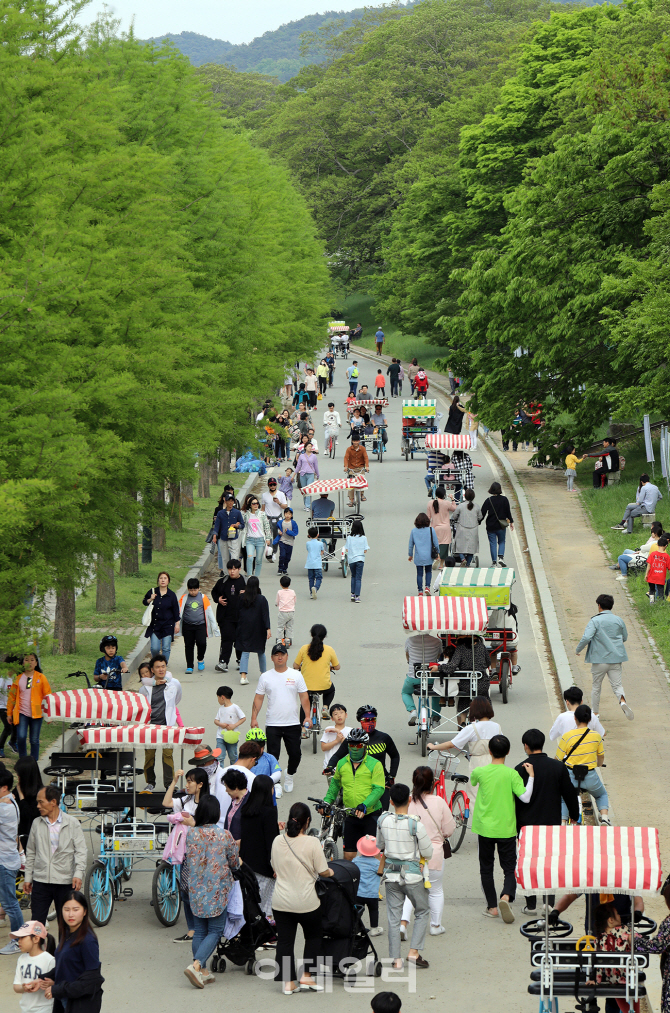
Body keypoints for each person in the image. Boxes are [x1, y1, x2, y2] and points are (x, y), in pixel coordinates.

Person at [470, 735, 535, 922]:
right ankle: (506, 895)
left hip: (485, 828)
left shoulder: (480, 771)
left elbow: (473, 781)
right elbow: (525, 798)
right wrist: (531, 777)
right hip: (506, 828)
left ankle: (492, 908)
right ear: (508, 752)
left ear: (490, 751)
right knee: (509, 867)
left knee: (486, 868)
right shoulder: (512, 774)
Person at [514, 728, 579, 913]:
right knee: (549, 862)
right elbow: (569, 794)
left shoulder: (520, 768)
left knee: (529, 862)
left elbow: (516, 799)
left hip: (526, 825)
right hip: (551, 823)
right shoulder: (558, 767)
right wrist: (574, 815)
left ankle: (531, 904)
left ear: (526, 746)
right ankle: (549, 903)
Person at [271, 802, 334, 994]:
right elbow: (323, 870)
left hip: (281, 901)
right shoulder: (312, 842)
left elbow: (275, 867)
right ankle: (307, 976)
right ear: (307, 821)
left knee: (284, 941)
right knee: (313, 937)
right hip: (307, 902)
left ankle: (288, 983)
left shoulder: (277, 841)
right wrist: (331, 871)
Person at [182, 796, 239, 988]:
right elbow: (234, 862)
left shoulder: (191, 834)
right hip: (217, 890)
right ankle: (197, 965)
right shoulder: (224, 835)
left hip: (196, 889)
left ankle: (204, 971)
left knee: (200, 931)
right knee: (215, 930)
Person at [376, 782, 433, 970]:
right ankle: (413, 951)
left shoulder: (383, 821)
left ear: (391, 801)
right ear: (409, 800)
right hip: (413, 876)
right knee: (423, 910)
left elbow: (380, 845)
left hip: (391, 876)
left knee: (393, 917)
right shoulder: (415, 824)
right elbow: (428, 852)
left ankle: (396, 960)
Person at [399, 767, 456, 939]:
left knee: (411, 890)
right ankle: (435, 925)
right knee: (436, 890)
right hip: (434, 853)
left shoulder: (408, 802)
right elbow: (449, 828)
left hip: (411, 853)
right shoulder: (439, 802)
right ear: (432, 783)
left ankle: (403, 924)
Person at [26, 892, 103, 1013]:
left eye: (75, 909)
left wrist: (57, 989)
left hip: (79, 1004)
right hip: (64, 998)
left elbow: (92, 980)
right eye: (66, 909)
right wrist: (42, 979)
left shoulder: (88, 940)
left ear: (84, 911)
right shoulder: (67, 932)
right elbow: (64, 964)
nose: (70, 914)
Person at [23, 786, 87, 931]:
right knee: (37, 925)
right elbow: (31, 851)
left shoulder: (72, 823)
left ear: (53, 802)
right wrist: (28, 877)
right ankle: (39, 953)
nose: (38, 806)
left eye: (41, 802)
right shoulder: (36, 823)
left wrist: (78, 873)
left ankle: (65, 954)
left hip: (65, 881)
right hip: (41, 881)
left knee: (66, 926)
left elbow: (81, 851)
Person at [251, 643, 310, 795]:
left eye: (282, 654)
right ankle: (276, 782)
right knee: (273, 755)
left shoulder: (296, 675)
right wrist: (254, 718)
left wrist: (308, 716)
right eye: (276, 654)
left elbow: (304, 697)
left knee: (295, 754)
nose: (279, 657)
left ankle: (289, 775)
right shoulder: (265, 677)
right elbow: (258, 698)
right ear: (272, 658)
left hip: (292, 723)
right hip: (273, 723)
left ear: (287, 657)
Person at [322, 729, 386, 859]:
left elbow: (379, 789)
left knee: (373, 855)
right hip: (350, 815)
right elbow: (334, 785)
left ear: (365, 746)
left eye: (358, 745)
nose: (354, 748)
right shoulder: (341, 763)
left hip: (370, 814)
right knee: (349, 855)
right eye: (351, 745)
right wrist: (327, 801)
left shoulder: (375, 764)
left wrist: (365, 805)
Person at [576, 593, 633, 720]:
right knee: (617, 685)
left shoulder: (595, 620)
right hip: (616, 658)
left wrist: (578, 649)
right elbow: (625, 637)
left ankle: (595, 713)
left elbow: (586, 637)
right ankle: (622, 701)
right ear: (611, 606)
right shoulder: (619, 620)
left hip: (599, 659)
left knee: (596, 686)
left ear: (599, 605)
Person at [428, 696, 501, 795]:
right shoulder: (496, 726)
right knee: (494, 793)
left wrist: (433, 746)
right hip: (496, 762)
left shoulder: (472, 728)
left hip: (478, 763)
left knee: (475, 794)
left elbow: (451, 744)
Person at [555, 704, 610, 824]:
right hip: (590, 776)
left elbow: (557, 759)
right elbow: (601, 756)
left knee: (564, 798)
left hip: (570, 776)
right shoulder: (596, 736)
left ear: (575, 718)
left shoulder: (567, 736)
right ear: (590, 719)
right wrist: (598, 764)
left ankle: (563, 822)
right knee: (601, 795)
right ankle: (604, 818)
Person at [138, 654, 182, 789]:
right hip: (150, 726)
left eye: (163, 666)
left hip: (167, 726)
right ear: (152, 670)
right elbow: (142, 707)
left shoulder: (174, 683)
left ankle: (169, 784)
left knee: (167, 755)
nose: (161, 669)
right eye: (157, 667)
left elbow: (176, 700)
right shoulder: (145, 688)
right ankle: (150, 783)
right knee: (149, 755)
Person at [239, 774, 280, 916]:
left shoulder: (246, 810)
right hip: (264, 867)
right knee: (266, 907)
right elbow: (271, 843)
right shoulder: (269, 812)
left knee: (251, 904)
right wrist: (275, 866)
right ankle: (266, 936)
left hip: (247, 865)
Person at [7, 655, 51, 760]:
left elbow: (48, 696)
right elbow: (12, 697)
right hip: (21, 712)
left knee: (34, 739)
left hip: (37, 712)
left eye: (32, 660)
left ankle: (33, 762)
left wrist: (49, 713)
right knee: (21, 737)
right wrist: (9, 713)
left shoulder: (41, 677)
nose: (29, 662)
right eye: (26, 660)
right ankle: (23, 760)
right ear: (22, 663)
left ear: (36, 663)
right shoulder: (18, 679)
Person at [438, 636, 490, 723]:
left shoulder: (460, 649)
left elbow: (452, 666)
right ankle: (484, 722)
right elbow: (488, 662)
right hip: (482, 683)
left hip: (466, 684)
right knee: (484, 698)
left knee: (464, 698)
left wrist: (439, 668)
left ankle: (462, 723)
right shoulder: (481, 647)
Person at [293, 624, 340, 720]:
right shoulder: (329, 650)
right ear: (325, 636)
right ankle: (325, 707)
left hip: (306, 686)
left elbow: (295, 666)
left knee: (305, 704)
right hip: (324, 686)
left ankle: (303, 729)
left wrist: (302, 666)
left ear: (311, 635)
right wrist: (330, 667)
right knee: (331, 690)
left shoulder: (304, 648)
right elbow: (337, 667)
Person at [0, 770, 24, 950]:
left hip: (5, 861)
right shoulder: (10, 801)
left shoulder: (5, 807)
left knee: (10, 903)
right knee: (9, 901)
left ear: (4, 788)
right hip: (8, 858)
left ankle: (18, 940)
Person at [11, 920, 55, 1011]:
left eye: (22, 938)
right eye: (18, 938)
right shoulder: (21, 959)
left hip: (45, 1009)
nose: (19, 941)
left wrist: (49, 984)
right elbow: (16, 986)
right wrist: (24, 988)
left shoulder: (49, 960)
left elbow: (57, 982)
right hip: (26, 1008)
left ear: (36, 939)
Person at [235, 575, 272, 686]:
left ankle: (243, 676)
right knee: (260, 651)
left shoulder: (242, 598)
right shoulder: (262, 599)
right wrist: (268, 628)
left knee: (245, 651)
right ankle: (263, 674)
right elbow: (265, 614)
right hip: (258, 628)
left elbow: (237, 612)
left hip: (244, 627)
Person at [402, 631, 444, 727]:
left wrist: (409, 661)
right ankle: (435, 717)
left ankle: (412, 711)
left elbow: (407, 655)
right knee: (436, 693)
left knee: (405, 692)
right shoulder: (437, 641)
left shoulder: (410, 640)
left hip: (414, 676)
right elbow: (438, 656)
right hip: (430, 677)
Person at [212, 558, 246, 674]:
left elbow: (257, 594)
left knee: (239, 640)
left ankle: (241, 661)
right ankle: (223, 662)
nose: (232, 571)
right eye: (230, 569)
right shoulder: (223, 581)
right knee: (226, 639)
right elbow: (214, 592)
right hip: (225, 616)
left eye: (234, 569)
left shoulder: (245, 582)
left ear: (239, 569)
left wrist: (247, 595)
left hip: (241, 617)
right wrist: (218, 599)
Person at [178, 578, 217, 674]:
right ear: (188, 589)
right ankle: (189, 666)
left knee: (202, 643)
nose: (193, 592)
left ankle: (200, 659)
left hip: (200, 625)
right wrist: (176, 624)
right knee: (188, 645)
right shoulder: (184, 598)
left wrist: (214, 626)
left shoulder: (203, 598)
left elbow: (209, 612)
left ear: (199, 588)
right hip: (188, 626)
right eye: (191, 590)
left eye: (195, 590)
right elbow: (178, 612)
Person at [141, 571, 180, 661]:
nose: (163, 580)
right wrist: (151, 598)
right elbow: (144, 602)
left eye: (165, 578)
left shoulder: (172, 595)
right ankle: (156, 664)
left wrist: (177, 624)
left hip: (168, 625)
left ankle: (163, 666)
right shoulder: (153, 591)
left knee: (166, 648)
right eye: (161, 578)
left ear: (168, 581)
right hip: (155, 625)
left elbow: (176, 610)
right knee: (155, 648)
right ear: (158, 580)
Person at [354, 835, 385, 935]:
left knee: (357, 911)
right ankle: (374, 928)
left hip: (358, 892)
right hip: (372, 893)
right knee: (374, 910)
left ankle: (356, 929)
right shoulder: (376, 863)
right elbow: (382, 872)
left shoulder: (356, 861)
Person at [12, 756, 44, 850]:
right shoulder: (19, 788)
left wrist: (21, 797)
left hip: (31, 840)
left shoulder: (40, 793)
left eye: (19, 774)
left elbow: (29, 815)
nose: (17, 777)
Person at [480, 482, 514, 566]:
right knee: (502, 541)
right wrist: (511, 522)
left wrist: (479, 521)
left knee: (493, 543)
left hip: (490, 525)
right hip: (501, 525)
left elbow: (482, 513)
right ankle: (501, 557)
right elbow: (508, 512)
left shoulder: (489, 500)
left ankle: (494, 562)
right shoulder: (504, 499)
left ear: (491, 490)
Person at [244, 729, 283, 801]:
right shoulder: (244, 758)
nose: (258, 749)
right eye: (254, 746)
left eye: (261, 745)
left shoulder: (269, 758)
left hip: (265, 789)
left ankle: (277, 786)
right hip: (248, 790)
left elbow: (277, 773)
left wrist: (268, 781)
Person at [408, 512, 440, 595]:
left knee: (419, 574)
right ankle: (427, 587)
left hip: (419, 556)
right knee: (428, 571)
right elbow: (436, 543)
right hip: (429, 556)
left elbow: (411, 544)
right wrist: (438, 553)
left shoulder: (413, 531)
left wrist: (410, 555)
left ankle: (420, 591)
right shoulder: (431, 530)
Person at [212, 493, 244, 573]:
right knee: (225, 558)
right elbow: (217, 526)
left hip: (234, 538)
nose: (230, 503)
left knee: (234, 557)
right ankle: (226, 574)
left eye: (232, 501)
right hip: (223, 538)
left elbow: (242, 525)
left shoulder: (237, 513)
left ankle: (235, 573)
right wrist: (214, 536)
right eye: (228, 501)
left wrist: (237, 526)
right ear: (225, 502)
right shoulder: (220, 513)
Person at [242, 494, 273, 578]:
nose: (256, 505)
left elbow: (267, 526)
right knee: (250, 558)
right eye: (253, 503)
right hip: (250, 540)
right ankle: (249, 576)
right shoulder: (246, 515)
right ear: (250, 505)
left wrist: (268, 538)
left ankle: (256, 577)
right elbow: (243, 526)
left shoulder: (262, 514)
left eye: (257, 503)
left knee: (259, 560)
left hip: (260, 540)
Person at [213, 685, 245, 763]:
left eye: (218, 698)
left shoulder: (235, 707)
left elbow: (243, 718)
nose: (218, 700)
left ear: (222, 697)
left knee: (233, 756)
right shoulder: (221, 709)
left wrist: (234, 725)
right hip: (220, 736)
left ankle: (234, 772)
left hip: (232, 737)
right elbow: (216, 721)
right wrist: (221, 724)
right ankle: (220, 773)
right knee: (219, 757)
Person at [427, 489, 457, 572]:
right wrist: (452, 499)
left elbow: (428, 517)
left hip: (435, 528)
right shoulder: (446, 503)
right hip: (445, 528)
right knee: (444, 545)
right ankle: (441, 564)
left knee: (435, 544)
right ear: (444, 495)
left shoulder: (430, 503)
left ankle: (437, 557)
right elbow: (454, 508)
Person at [451, 489, 482, 567]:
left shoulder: (461, 506)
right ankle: (468, 564)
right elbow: (480, 517)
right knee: (471, 548)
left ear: (465, 496)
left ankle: (462, 559)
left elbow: (454, 516)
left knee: (459, 545)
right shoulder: (477, 506)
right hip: (473, 529)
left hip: (461, 528)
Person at [221, 767, 249, 841]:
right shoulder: (234, 800)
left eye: (227, 787)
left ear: (236, 788)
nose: (226, 791)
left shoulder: (250, 801)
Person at [320, 703, 351, 768]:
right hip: (330, 766)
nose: (339, 716)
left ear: (346, 715)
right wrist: (336, 741)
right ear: (332, 718)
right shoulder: (328, 730)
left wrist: (338, 732)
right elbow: (323, 748)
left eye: (341, 713)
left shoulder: (351, 731)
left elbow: (350, 748)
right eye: (335, 714)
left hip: (346, 767)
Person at [346, 519, 369, 603]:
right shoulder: (364, 538)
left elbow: (347, 549)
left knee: (353, 576)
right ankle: (357, 596)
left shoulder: (349, 537)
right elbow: (365, 550)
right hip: (360, 559)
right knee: (358, 578)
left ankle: (352, 594)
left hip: (352, 559)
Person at [343, 433, 370, 505]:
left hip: (360, 468)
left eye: (357, 441)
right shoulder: (349, 449)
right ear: (352, 441)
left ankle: (361, 494)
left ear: (359, 441)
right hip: (352, 469)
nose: (355, 442)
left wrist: (367, 467)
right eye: (354, 441)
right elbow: (346, 458)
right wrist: (345, 467)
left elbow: (366, 458)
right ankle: (351, 500)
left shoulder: (363, 449)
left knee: (362, 480)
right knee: (351, 483)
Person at [261, 478, 288, 542]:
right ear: (268, 485)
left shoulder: (281, 494)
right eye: (271, 485)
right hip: (268, 519)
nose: (272, 486)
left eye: (274, 484)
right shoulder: (264, 495)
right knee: (268, 539)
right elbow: (263, 509)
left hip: (278, 519)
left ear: (276, 485)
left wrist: (278, 502)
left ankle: (274, 551)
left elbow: (285, 507)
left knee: (277, 539)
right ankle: (270, 551)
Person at [295, 442, 320, 511]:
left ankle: (308, 506)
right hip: (302, 474)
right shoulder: (301, 456)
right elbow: (298, 466)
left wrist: (317, 474)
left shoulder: (314, 456)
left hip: (310, 474)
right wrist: (294, 473)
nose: (310, 448)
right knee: (304, 490)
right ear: (305, 447)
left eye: (311, 446)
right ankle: (306, 504)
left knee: (308, 490)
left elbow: (316, 466)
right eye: (308, 446)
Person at [646, 534, 670, 602]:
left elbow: (649, 565)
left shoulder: (653, 554)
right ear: (666, 546)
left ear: (658, 545)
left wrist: (646, 574)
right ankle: (661, 603)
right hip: (661, 577)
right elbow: (669, 569)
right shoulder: (667, 556)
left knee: (651, 590)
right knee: (660, 591)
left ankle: (651, 602)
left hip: (651, 576)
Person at [0, 663, 17, 757]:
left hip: (12, 708)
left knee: (16, 726)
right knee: (8, 727)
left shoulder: (13, 680)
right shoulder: (2, 679)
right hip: (2, 707)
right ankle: (0, 747)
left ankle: (12, 742)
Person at [275, 508, 298, 574]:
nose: (287, 515)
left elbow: (295, 532)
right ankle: (280, 568)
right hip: (282, 541)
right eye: (286, 513)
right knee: (282, 555)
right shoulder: (280, 522)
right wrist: (279, 532)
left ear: (291, 515)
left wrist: (288, 532)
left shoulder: (293, 523)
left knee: (288, 557)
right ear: (284, 514)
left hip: (290, 542)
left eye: (289, 514)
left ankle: (285, 568)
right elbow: (278, 529)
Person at [275, 575, 296, 646]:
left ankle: (280, 639)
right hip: (291, 612)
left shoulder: (279, 592)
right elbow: (294, 601)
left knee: (280, 626)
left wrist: (277, 604)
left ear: (280, 584)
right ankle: (287, 639)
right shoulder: (292, 592)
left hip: (282, 612)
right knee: (289, 626)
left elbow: (277, 601)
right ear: (289, 584)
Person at [305, 526, 325, 599]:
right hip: (317, 564)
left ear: (309, 535)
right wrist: (321, 552)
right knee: (319, 578)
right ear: (318, 534)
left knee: (311, 579)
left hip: (309, 564)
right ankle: (315, 588)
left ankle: (311, 593)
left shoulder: (308, 543)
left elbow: (308, 550)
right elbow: (322, 551)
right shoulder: (320, 543)